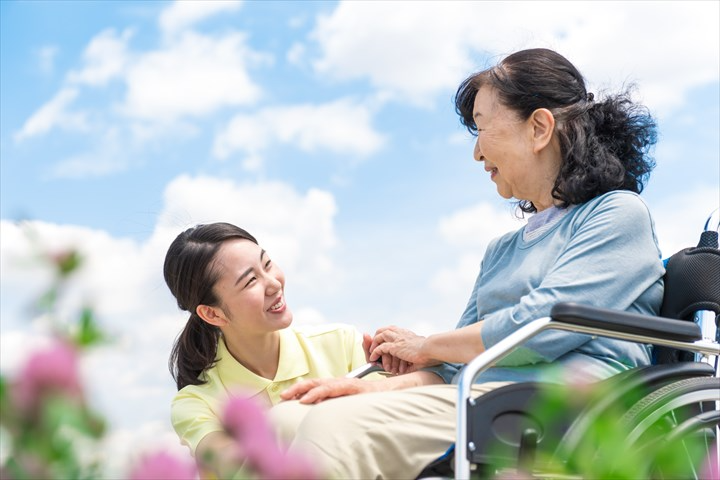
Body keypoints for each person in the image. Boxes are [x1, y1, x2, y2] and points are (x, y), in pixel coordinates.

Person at [270, 47, 664, 479]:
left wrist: (424, 346)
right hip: (488, 398)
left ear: (538, 128)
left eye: (482, 128)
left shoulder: (616, 214)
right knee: (285, 421)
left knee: (335, 428)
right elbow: (457, 368)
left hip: (569, 410)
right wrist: (361, 388)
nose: (477, 154)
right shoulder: (502, 251)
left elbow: (542, 329)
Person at [163, 222, 377, 473]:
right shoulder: (196, 403)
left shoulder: (342, 344)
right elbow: (234, 468)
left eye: (267, 264)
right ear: (212, 313)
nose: (274, 284)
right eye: (251, 281)